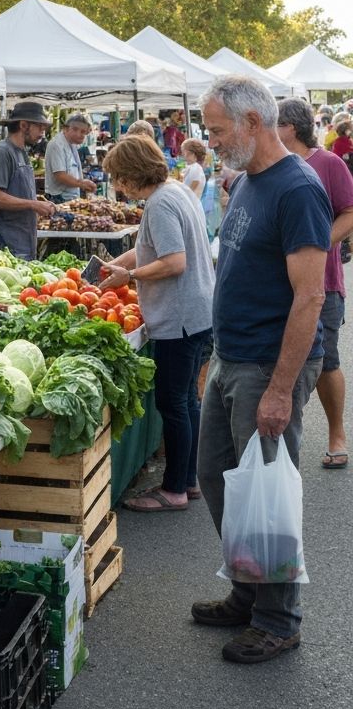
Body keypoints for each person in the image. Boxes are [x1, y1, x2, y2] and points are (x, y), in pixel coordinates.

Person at [192, 75, 331, 664]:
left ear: (253, 123)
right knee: (220, 479)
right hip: (232, 358)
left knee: (268, 491)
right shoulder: (249, 179)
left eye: (218, 131)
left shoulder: (297, 188)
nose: (211, 140)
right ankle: (248, 591)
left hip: (266, 367)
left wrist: (280, 389)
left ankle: (279, 618)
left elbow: (310, 298)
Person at [98, 135, 214, 512]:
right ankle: (189, 480)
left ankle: (174, 490)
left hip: (179, 318)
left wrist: (130, 278)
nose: (117, 185)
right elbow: (152, 249)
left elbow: (174, 261)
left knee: (173, 403)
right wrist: (123, 264)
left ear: (132, 174)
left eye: (118, 177)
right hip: (198, 313)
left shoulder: (161, 203)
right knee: (187, 401)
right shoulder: (175, 190)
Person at [277, 98, 353, 469]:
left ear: (290, 127)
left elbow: (350, 211)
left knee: (326, 361)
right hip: (280, 285)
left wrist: (322, 245)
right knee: (284, 359)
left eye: (275, 124)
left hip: (323, 283)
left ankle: (337, 432)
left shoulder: (329, 163)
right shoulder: (274, 165)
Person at [0, 102, 54, 260]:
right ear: (23, 125)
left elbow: (13, 190)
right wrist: (33, 204)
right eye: (40, 127)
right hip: (3, 250)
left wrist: (36, 199)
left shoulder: (21, 152)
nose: (43, 132)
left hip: (21, 244)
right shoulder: (1, 153)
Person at [44, 114, 97, 204]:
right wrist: (82, 184)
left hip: (70, 197)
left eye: (84, 132)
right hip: (58, 198)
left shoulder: (71, 144)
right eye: (75, 129)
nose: (80, 135)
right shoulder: (57, 145)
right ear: (65, 129)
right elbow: (60, 175)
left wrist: (82, 182)